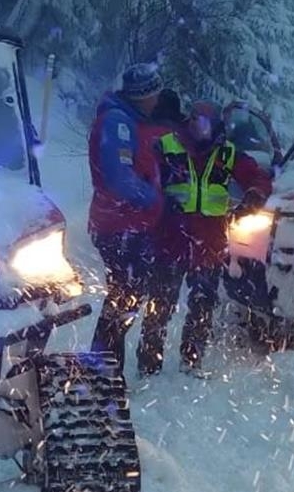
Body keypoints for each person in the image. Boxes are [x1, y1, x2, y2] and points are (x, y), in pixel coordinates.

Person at [144, 101, 272, 376]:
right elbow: (144, 173)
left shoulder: (226, 153)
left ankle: (191, 362)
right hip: (171, 236)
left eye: (202, 121)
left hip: (209, 240)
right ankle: (149, 364)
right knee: (160, 303)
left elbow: (259, 176)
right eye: (192, 119)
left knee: (203, 303)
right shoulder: (168, 145)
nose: (196, 126)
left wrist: (254, 196)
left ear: (215, 125)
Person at [87, 63, 167, 369]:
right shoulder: (117, 123)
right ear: (142, 95)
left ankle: (105, 367)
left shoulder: (129, 121)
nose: (156, 101)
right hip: (119, 225)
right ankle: (102, 368)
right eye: (154, 95)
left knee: (126, 297)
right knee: (124, 298)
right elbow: (119, 178)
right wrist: (155, 200)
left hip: (126, 224)